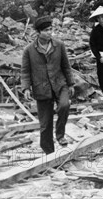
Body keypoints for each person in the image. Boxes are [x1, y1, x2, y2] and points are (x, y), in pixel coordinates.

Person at [21, 16, 74, 154]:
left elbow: (66, 66)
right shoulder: (29, 50)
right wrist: (26, 88)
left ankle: (60, 135)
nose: (49, 33)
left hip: (59, 84)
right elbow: (25, 71)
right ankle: (49, 152)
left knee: (64, 105)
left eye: (51, 29)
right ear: (38, 32)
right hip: (41, 88)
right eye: (46, 30)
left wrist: (71, 84)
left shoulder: (59, 45)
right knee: (45, 124)